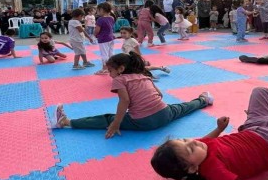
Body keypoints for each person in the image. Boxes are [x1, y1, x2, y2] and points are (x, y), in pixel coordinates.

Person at [53, 52, 212, 138]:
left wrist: (116, 123)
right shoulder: (144, 75)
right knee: (182, 107)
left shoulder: (120, 80)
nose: (109, 74)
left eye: (110, 71)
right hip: (164, 114)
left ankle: (66, 122)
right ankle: (204, 99)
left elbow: (125, 102)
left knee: (107, 118)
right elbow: (160, 94)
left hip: (144, 123)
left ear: (121, 69)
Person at [94, 2, 116, 74]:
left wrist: (94, 34)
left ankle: (105, 69)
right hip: (111, 38)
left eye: (98, 10)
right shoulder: (111, 18)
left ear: (102, 10)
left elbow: (97, 30)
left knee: (104, 54)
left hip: (103, 39)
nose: (97, 12)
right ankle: (112, 67)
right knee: (110, 53)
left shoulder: (100, 19)